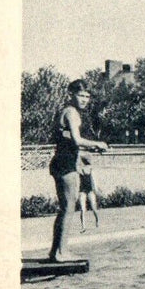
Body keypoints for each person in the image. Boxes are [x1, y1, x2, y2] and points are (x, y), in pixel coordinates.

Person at [47, 79, 108, 262]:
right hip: (65, 164)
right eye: (81, 95)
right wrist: (97, 143)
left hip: (61, 161)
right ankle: (61, 253)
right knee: (68, 208)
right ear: (71, 94)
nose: (84, 100)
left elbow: (66, 141)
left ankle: (55, 251)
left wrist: (87, 151)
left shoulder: (65, 112)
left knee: (65, 208)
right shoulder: (72, 113)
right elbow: (76, 140)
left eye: (87, 96)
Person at [77, 156, 100, 231]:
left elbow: (93, 181)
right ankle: (83, 226)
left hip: (89, 190)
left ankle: (97, 221)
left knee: (92, 208)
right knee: (83, 209)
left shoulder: (90, 170)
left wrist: (95, 189)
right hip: (82, 190)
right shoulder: (81, 170)